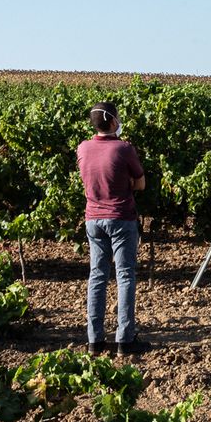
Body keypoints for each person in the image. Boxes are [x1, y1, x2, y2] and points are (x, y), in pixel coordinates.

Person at [76, 101, 148, 355]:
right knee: (125, 276)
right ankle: (124, 340)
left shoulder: (83, 148)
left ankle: (94, 341)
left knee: (97, 276)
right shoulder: (124, 149)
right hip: (121, 218)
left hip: (92, 219)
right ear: (113, 121)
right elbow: (140, 184)